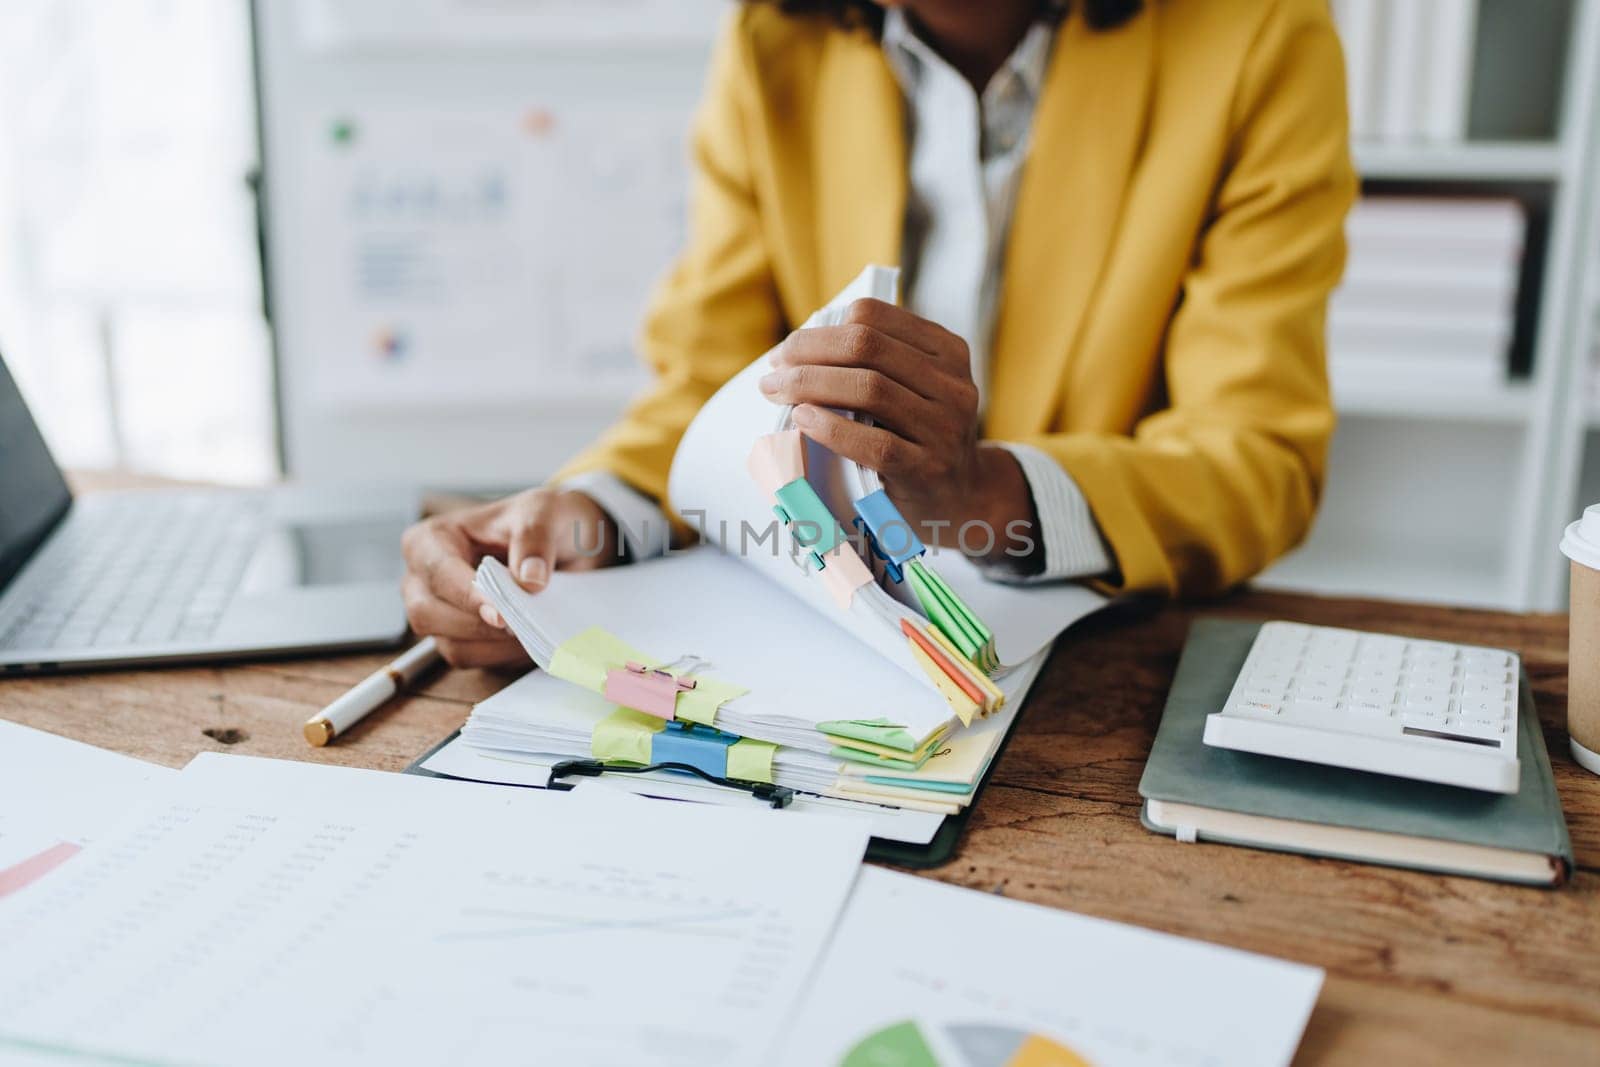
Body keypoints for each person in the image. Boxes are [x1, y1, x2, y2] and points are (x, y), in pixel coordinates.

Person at [401, 0, 1356, 668]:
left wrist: (981, 494)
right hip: (813, 651)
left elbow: (1253, 456)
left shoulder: (1256, 34)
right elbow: (709, 392)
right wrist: (579, 521)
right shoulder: (775, 38)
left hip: (1098, 675)